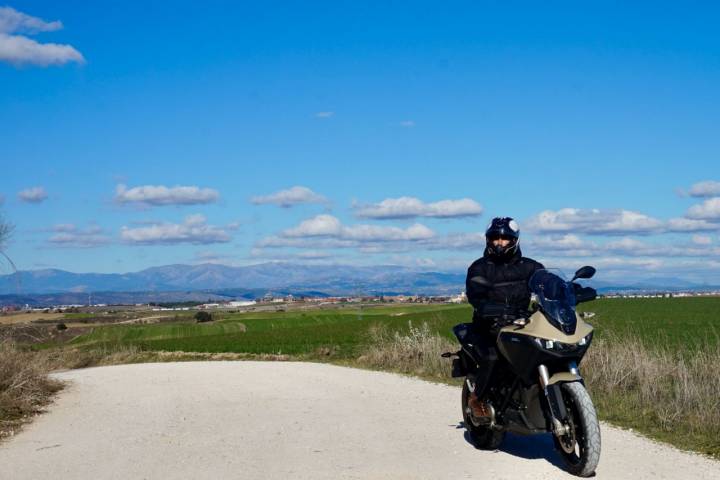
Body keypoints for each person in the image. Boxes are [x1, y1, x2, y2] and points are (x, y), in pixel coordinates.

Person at [464, 217, 544, 420]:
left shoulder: (531, 267)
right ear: (488, 240)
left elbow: (548, 284)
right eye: (495, 238)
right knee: (492, 357)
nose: (499, 242)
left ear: (514, 240)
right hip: (489, 325)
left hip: (522, 324)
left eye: (505, 238)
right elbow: (475, 295)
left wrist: (571, 290)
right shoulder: (479, 268)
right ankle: (476, 399)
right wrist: (487, 308)